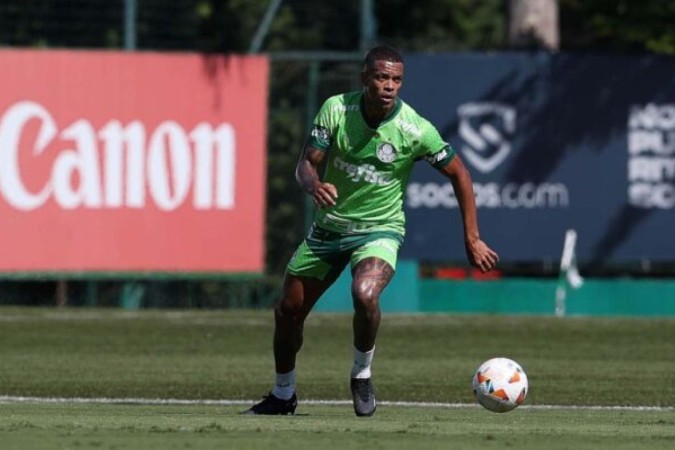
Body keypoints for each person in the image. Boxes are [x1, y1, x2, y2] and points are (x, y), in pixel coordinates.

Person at [244, 45, 498, 417]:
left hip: (379, 230)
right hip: (329, 230)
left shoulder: (415, 129)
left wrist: (472, 237)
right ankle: (284, 396)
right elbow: (305, 165)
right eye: (381, 77)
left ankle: (361, 372)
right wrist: (314, 185)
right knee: (288, 311)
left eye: (396, 79)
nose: (389, 86)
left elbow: (459, 172)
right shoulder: (336, 110)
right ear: (365, 78)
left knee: (364, 294)